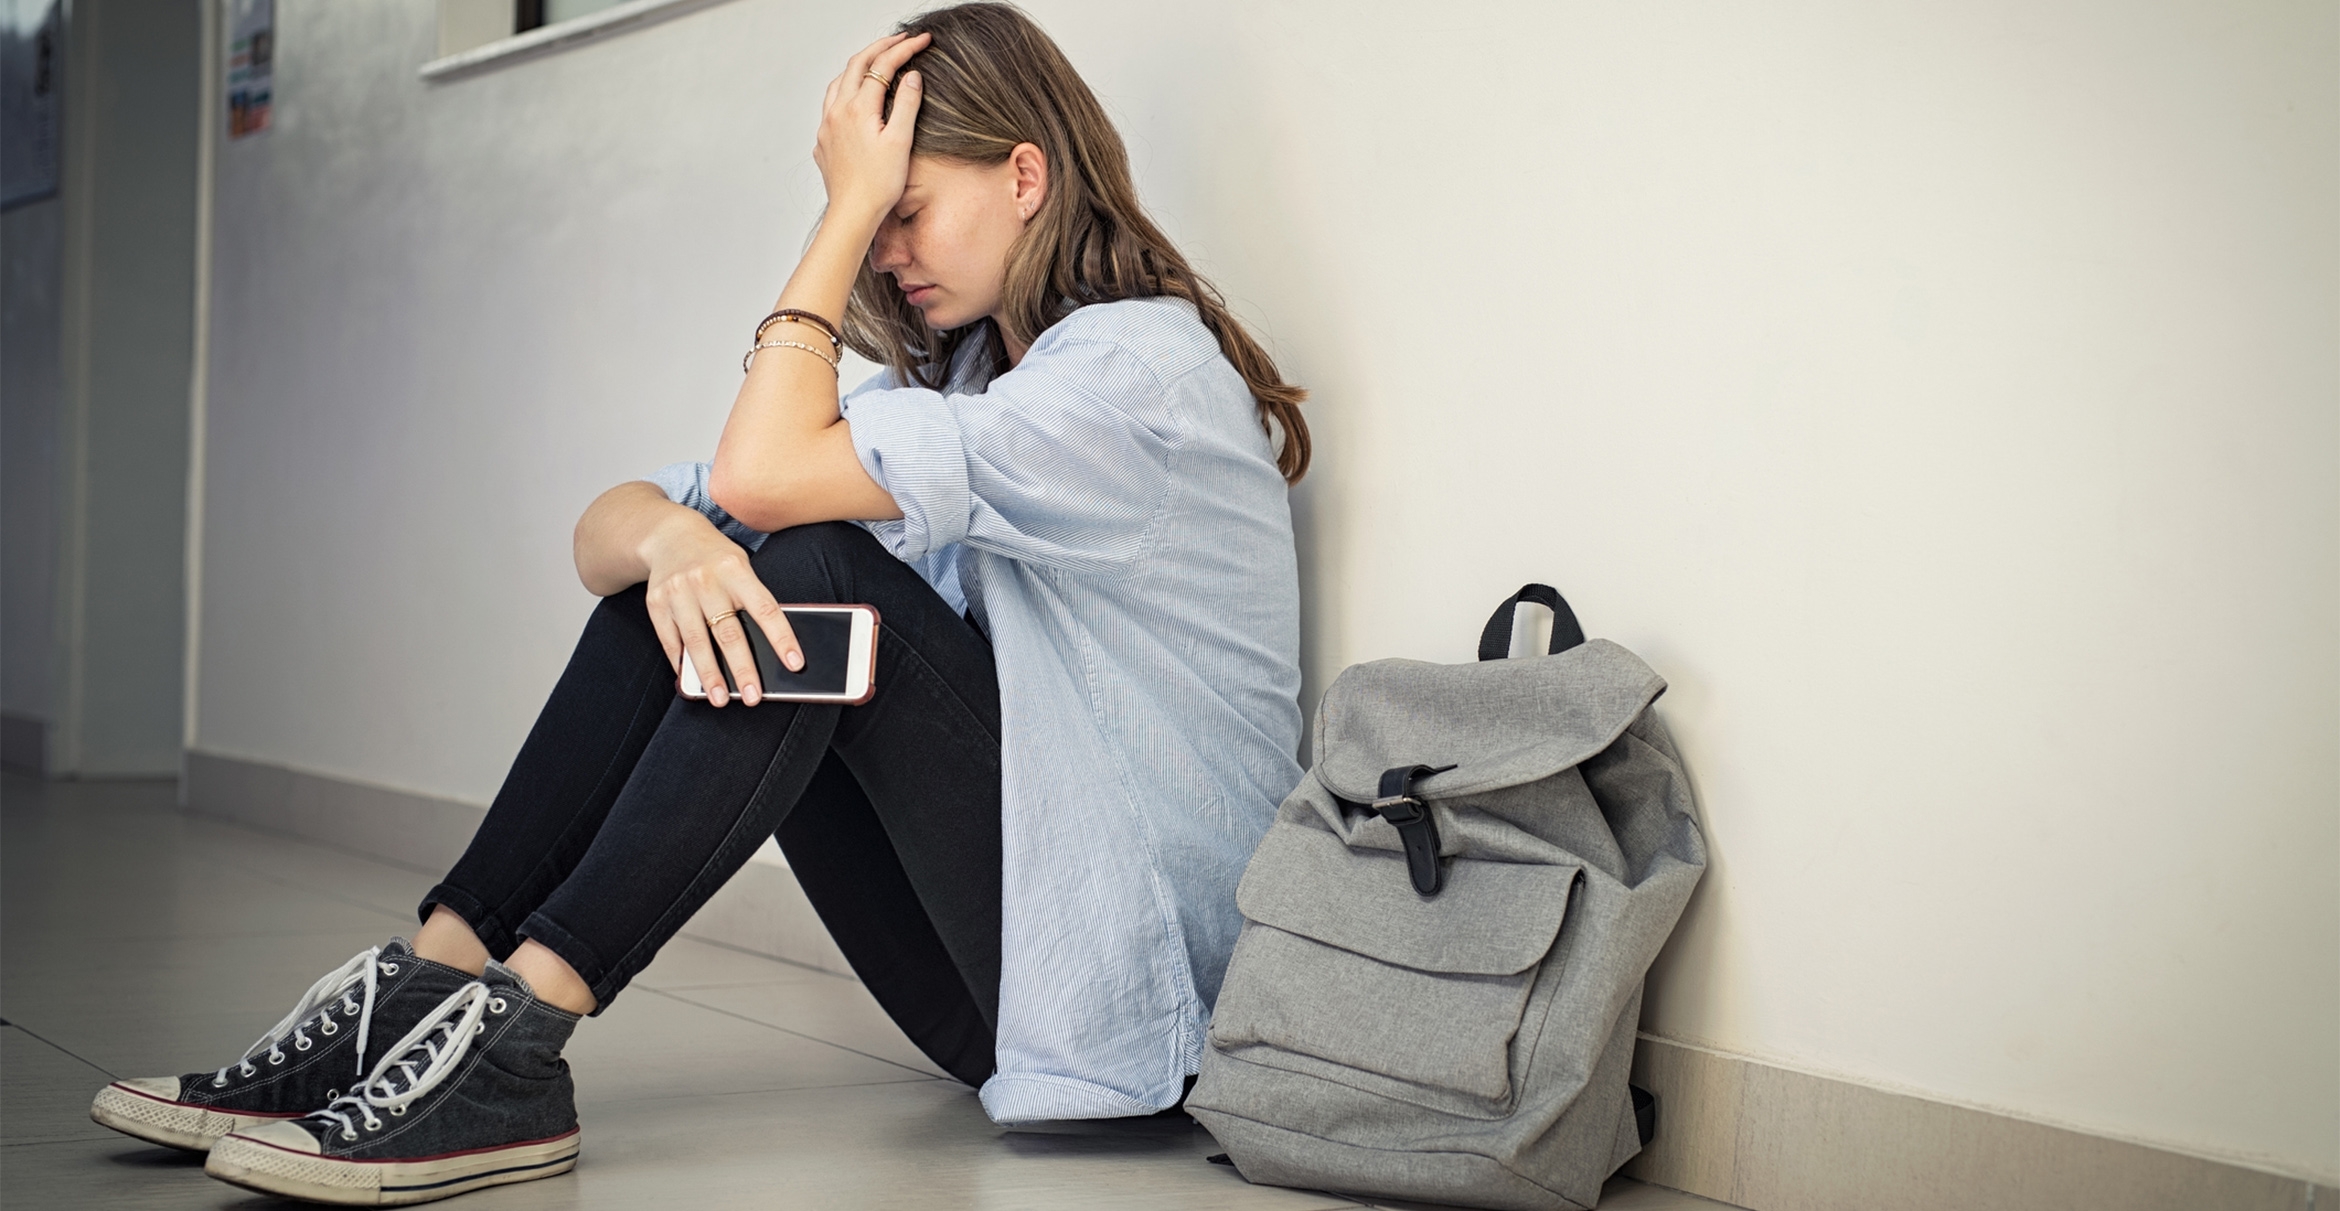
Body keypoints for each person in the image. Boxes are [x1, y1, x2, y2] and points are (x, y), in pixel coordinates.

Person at [87, 3, 1312, 1203]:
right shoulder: (977, 381)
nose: (886, 250)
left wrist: (837, 214)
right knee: (683, 580)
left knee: (810, 571)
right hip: (1011, 992)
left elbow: (760, 477)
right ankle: (427, 986)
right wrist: (674, 541)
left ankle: (517, 1044)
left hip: (1142, 1003)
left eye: (904, 212)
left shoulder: (1135, 377)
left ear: (1026, 176)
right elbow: (608, 530)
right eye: (871, 222)